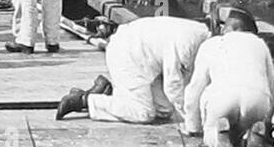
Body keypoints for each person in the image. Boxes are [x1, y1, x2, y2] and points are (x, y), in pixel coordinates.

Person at [56, 14, 211, 123]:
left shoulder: (201, 32)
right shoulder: (187, 46)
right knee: (143, 113)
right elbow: (173, 86)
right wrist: (193, 123)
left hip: (145, 57)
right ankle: (85, 100)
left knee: (163, 111)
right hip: (126, 52)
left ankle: (108, 90)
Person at [182, 8, 274, 147]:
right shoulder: (260, 44)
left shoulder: (211, 44)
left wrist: (192, 126)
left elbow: (194, 89)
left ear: (229, 27)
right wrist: (266, 121)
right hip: (257, 99)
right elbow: (273, 91)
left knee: (213, 128)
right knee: (243, 129)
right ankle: (254, 133)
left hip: (223, 98)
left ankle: (218, 139)